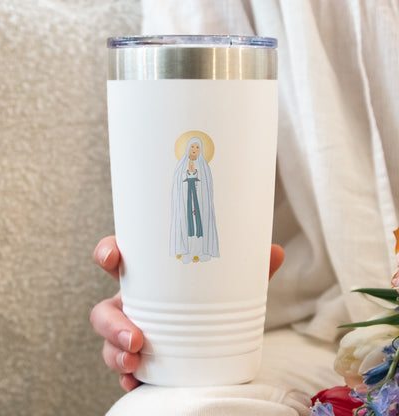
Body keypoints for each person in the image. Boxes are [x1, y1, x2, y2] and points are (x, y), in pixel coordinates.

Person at [90, 1, 399, 414]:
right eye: (192, 149)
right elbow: (188, 140)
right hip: (317, 327)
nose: (195, 153)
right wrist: (160, 290)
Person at [170, 136, 219, 263]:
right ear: (188, 148)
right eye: (192, 146)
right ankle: (186, 251)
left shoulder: (203, 166)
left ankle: (199, 252)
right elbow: (178, 185)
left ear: (200, 150)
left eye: (197, 147)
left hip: (199, 202)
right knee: (186, 224)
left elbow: (207, 187)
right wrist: (189, 174)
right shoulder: (181, 165)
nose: (194, 149)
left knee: (199, 225)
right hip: (185, 201)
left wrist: (194, 173)